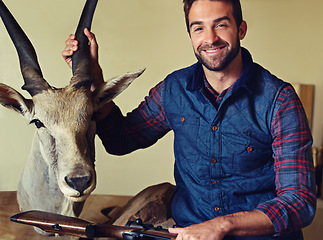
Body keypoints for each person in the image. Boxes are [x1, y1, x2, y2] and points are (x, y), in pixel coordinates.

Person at [62, 0, 316, 239]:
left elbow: (299, 201)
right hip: (187, 233)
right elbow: (121, 140)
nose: (210, 38)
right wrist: (94, 81)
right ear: (190, 36)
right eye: (199, 28)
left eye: (221, 24)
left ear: (241, 29)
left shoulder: (280, 101)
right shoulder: (174, 90)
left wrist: (220, 226)